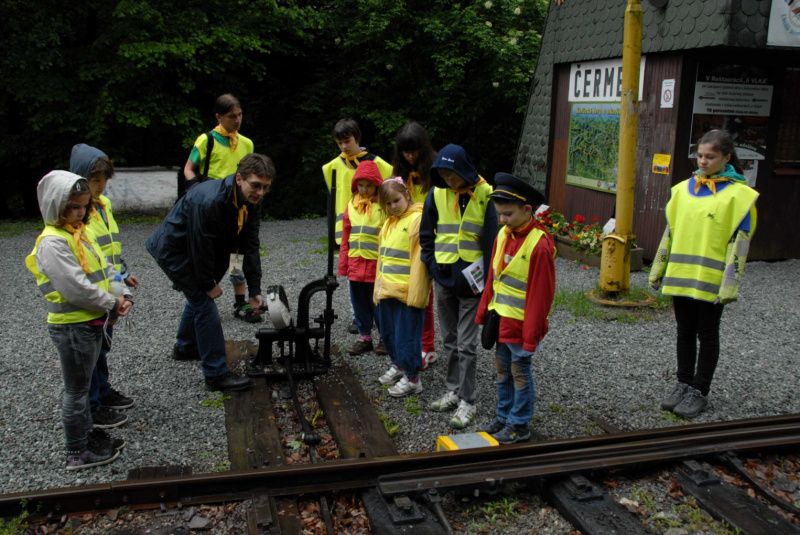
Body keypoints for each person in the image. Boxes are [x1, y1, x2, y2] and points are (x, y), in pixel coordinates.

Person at [26, 171, 132, 470]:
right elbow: (75, 287)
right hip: (72, 326)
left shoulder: (78, 233)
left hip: (90, 321)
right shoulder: (53, 243)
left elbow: (106, 267)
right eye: (72, 207)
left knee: (82, 388)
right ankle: (77, 451)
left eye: (83, 206)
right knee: (76, 391)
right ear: (54, 207)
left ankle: (86, 435)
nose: (80, 213)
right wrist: (112, 302)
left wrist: (120, 293)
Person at [649, 129, 758, 419]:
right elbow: (669, 233)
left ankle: (700, 391)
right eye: (700, 156)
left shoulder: (740, 196)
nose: (704, 162)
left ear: (727, 157)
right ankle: (683, 383)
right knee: (684, 332)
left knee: (707, 334)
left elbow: (740, 245)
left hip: (712, 281)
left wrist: (730, 284)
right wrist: (659, 267)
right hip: (681, 276)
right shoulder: (682, 190)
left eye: (711, 157)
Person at [147, 153, 276, 392]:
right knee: (205, 305)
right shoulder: (209, 201)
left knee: (199, 300)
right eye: (255, 185)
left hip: (199, 251)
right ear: (239, 178)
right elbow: (200, 247)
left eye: (265, 188)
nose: (260, 192)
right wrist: (207, 283)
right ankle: (215, 374)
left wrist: (255, 289)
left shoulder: (251, 201)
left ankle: (185, 347)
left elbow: (249, 243)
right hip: (175, 251)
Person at [420, 144, 498, 429]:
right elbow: (426, 233)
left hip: (473, 285)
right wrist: (431, 265)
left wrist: (490, 285)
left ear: (464, 169)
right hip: (444, 279)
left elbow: (492, 243)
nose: (450, 181)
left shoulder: (486, 195)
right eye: (444, 175)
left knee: (466, 345)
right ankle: (453, 391)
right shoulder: (437, 193)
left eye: (453, 175)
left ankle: (468, 401)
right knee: (449, 341)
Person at [475, 174, 555, 444]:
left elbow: (540, 297)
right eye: (500, 214)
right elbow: (492, 278)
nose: (502, 220)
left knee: (519, 372)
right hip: (501, 323)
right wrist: (483, 311)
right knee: (502, 370)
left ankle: (519, 424)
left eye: (507, 214)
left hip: (521, 327)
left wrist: (532, 336)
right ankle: (503, 416)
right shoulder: (503, 234)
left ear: (527, 210)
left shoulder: (540, 246)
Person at [70, 144, 137, 431]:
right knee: (93, 348)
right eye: (95, 180)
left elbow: (109, 246)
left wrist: (123, 273)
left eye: (104, 180)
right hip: (93, 291)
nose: (100, 186)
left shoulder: (104, 205)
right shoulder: (78, 211)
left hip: (110, 283)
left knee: (104, 344)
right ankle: (94, 404)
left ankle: (103, 390)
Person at [183, 94, 258, 323]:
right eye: (231, 116)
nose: (237, 120)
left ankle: (240, 301)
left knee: (236, 254)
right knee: (209, 253)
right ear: (218, 117)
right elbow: (188, 169)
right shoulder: (207, 140)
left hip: (236, 210)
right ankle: (203, 297)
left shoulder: (246, 143)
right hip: (211, 208)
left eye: (240, 115)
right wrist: (196, 191)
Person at [322, 118, 393, 334]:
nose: (344, 146)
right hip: (347, 233)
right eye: (339, 143)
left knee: (375, 281)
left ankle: (381, 326)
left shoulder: (381, 165)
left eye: (347, 141)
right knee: (354, 281)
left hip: (376, 235)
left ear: (357, 138)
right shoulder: (330, 167)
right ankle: (360, 320)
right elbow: (331, 204)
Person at [373, 178, 432, 397]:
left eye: (396, 201)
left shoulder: (417, 220)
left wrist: (417, 295)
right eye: (387, 204)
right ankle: (398, 365)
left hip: (407, 293)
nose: (392, 207)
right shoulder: (389, 223)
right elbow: (382, 259)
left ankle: (413, 378)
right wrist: (377, 290)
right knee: (389, 333)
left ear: (407, 195)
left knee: (407, 336)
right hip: (387, 290)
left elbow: (419, 261)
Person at [391, 122, 438, 369]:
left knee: (424, 296)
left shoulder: (435, 168)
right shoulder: (398, 170)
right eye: (405, 152)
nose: (409, 157)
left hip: (428, 240)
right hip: (404, 240)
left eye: (413, 152)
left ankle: (427, 346)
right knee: (404, 295)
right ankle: (410, 343)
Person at [338, 160, 385, 355]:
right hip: (356, 264)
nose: (364, 189)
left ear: (377, 185)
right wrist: (343, 266)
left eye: (369, 185)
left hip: (376, 265)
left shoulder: (384, 205)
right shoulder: (351, 205)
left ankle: (385, 338)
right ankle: (364, 337)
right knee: (359, 302)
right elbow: (345, 237)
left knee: (380, 303)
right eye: (361, 185)